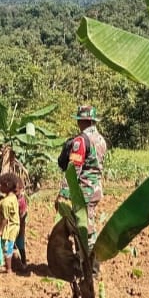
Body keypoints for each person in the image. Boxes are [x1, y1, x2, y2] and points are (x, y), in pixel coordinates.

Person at [57, 104, 108, 245]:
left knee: (83, 228)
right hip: (96, 189)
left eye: (79, 120)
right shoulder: (101, 140)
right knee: (88, 223)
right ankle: (87, 259)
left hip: (84, 191)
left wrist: (64, 193)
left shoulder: (80, 141)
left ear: (83, 121)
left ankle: (88, 261)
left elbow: (73, 170)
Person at [0, 172, 21, 274]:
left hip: (10, 228)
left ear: (7, 186)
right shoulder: (14, 197)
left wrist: (0, 231)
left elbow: (5, 218)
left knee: (8, 248)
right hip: (15, 226)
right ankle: (17, 265)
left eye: (1, 184)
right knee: (11, 246)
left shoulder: (5, 202)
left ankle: (9, 269)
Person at [14, 174, 28, 268]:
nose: (14, 193)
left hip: (19, 225)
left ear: (21, 189)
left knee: (20, 244)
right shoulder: (12, 199)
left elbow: (23, 216)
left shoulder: (21, 201)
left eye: (16, 191)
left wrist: (21, 230)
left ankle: (23, 262)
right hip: (12, 225)